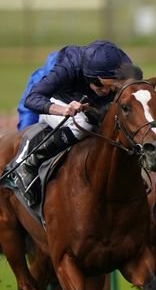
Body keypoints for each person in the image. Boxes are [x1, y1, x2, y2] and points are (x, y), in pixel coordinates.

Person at [14, 40, 133, 206]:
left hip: (86, 103)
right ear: (90, 77)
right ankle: (29, 161)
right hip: (52, 99)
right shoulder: (66, 68)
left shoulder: (123, 68)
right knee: (83, 124)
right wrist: (62, 110)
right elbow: (31, 99)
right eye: (102, 86)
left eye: (112, 87)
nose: (106, 91)